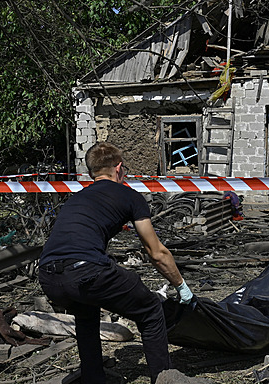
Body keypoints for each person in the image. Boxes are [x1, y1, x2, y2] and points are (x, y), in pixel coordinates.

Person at [38, 142, 193, 384]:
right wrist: (181, 286)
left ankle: (93, 378)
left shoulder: (76, 198)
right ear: (118, 168)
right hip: (85, 269)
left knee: (86, 312)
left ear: (92, 172)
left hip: (48, 275)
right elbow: (156, 253)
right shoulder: (130, 196)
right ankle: (163, 378)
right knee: (151, 310)